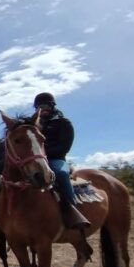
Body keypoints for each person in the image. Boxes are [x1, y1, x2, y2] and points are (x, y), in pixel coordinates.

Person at [33, 92, 90, 230]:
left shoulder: (63, 123)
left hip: (56, 159)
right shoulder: (34, 125)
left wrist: (44, 154)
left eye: (46, 105)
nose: (43, 108)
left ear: (52, 106)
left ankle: (72, 210)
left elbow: (64, 147)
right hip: (37, 160)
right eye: (40, 106)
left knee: (61, 174)